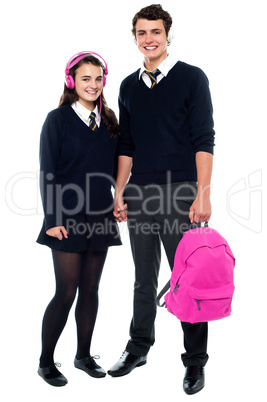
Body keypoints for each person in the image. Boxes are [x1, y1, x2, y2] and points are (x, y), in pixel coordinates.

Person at [108, 4, 215, 395]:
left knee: (188, 281)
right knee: (142, 279)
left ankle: (195, 363)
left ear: (168, 35)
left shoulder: (191, 79)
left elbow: (204, 138)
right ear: (135, 38)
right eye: (141, 33)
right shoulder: (127, 86)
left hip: (182, 194)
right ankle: (139, 347)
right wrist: (119, 191)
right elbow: (127, 144)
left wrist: (203, 193)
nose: (148, 39)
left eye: (155, 31)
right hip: (140, 194)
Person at [36, 51, 121, 386]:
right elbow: (48, 173)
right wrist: (52, 218)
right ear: (72, 82)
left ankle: (83, 355)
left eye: (99, 79)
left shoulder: (110, 120)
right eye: (86, 78)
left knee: (91, 289)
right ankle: (45, 362)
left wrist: (121, 199)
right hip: (66, 217)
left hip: (100, 214)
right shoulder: (57, 120)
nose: (93, 85)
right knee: (66, 291)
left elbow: (117, 169)